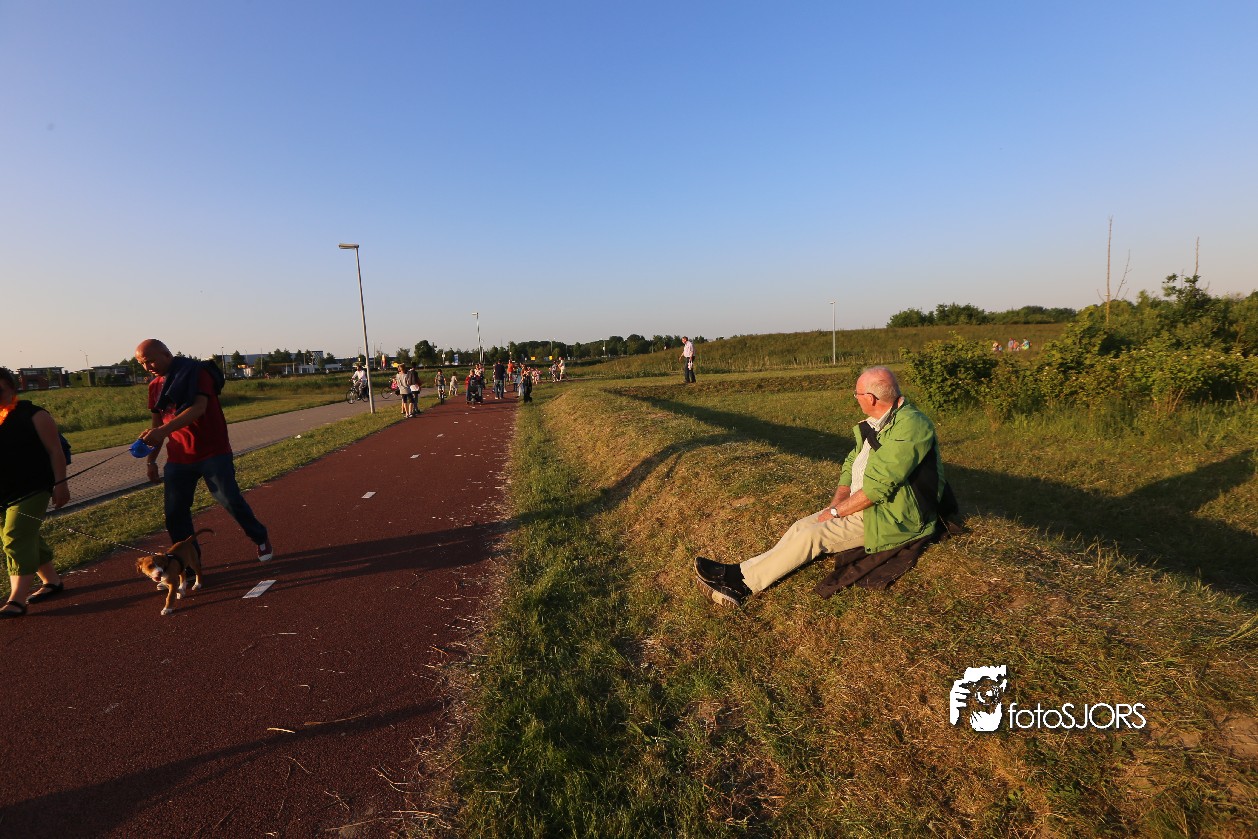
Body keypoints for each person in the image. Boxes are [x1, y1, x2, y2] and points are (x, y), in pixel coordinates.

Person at [694, 366, 954, 607]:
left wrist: (836, 513)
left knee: (812, 536)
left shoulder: (911, 426)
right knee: (801, 526)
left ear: (871, 398)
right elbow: (851, 464)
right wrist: (836, 505)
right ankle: (739, 570)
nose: (855, 398)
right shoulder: (879, 420)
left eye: (857, 394)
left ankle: (741, 587)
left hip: (892, 515)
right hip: (865, 503)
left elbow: (878, 487)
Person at [135, 339, 273, 563]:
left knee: (229, 500)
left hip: (213, 453)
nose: (147, 367)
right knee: (175, 513)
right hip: (179, 458)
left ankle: (259, 536)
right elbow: (156, 426)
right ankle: (188, 563)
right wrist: (151, 460)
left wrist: (162, 431)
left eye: (150, 361)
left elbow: (198, 408)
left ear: (166, 354)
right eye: (142, 363)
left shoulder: (197, 372)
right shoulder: (154, 387)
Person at [1, 367, 68, 618]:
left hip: (32, 488)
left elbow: (55, 451)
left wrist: (61, 484)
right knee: (26, 535)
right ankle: (52, 581)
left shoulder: (35, 414)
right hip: (3, 492)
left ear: (11, 387)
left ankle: (17, 599)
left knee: (16, 535)